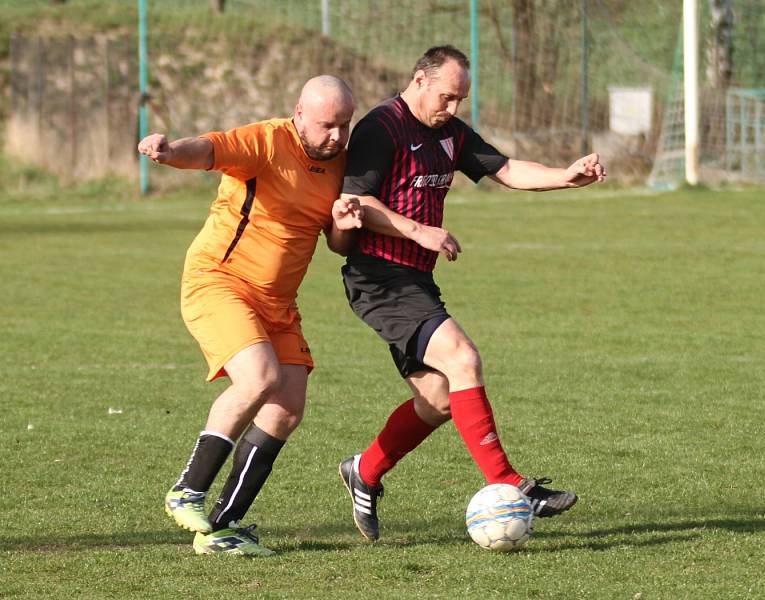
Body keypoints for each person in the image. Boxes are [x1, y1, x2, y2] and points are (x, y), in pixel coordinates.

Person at [337, 46, 607, 541]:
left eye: (461, 99)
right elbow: (355, 201)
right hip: (379, 276)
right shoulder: (381, 127)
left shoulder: (450, 134)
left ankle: (366, 470)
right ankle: (511, 484)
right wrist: (420, 231)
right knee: (463, 358)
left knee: (440, 397)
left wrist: (566, 177)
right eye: (446, 96)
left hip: (414, 280)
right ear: (419, 80)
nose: (454, 108)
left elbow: (505, 169)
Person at [137, 75, 363, 556]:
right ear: (299, 113)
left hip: (279, 304)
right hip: (220, 281)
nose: (337, 136)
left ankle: (223, 528)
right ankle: (187, 489)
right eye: (327, 125)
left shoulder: (344, 161)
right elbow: (209, 150)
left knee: (285, 410)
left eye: (345, 124)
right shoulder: (266, 141)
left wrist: (344, 226)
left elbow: (338, 245)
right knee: (258, 378)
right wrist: (169, 149)